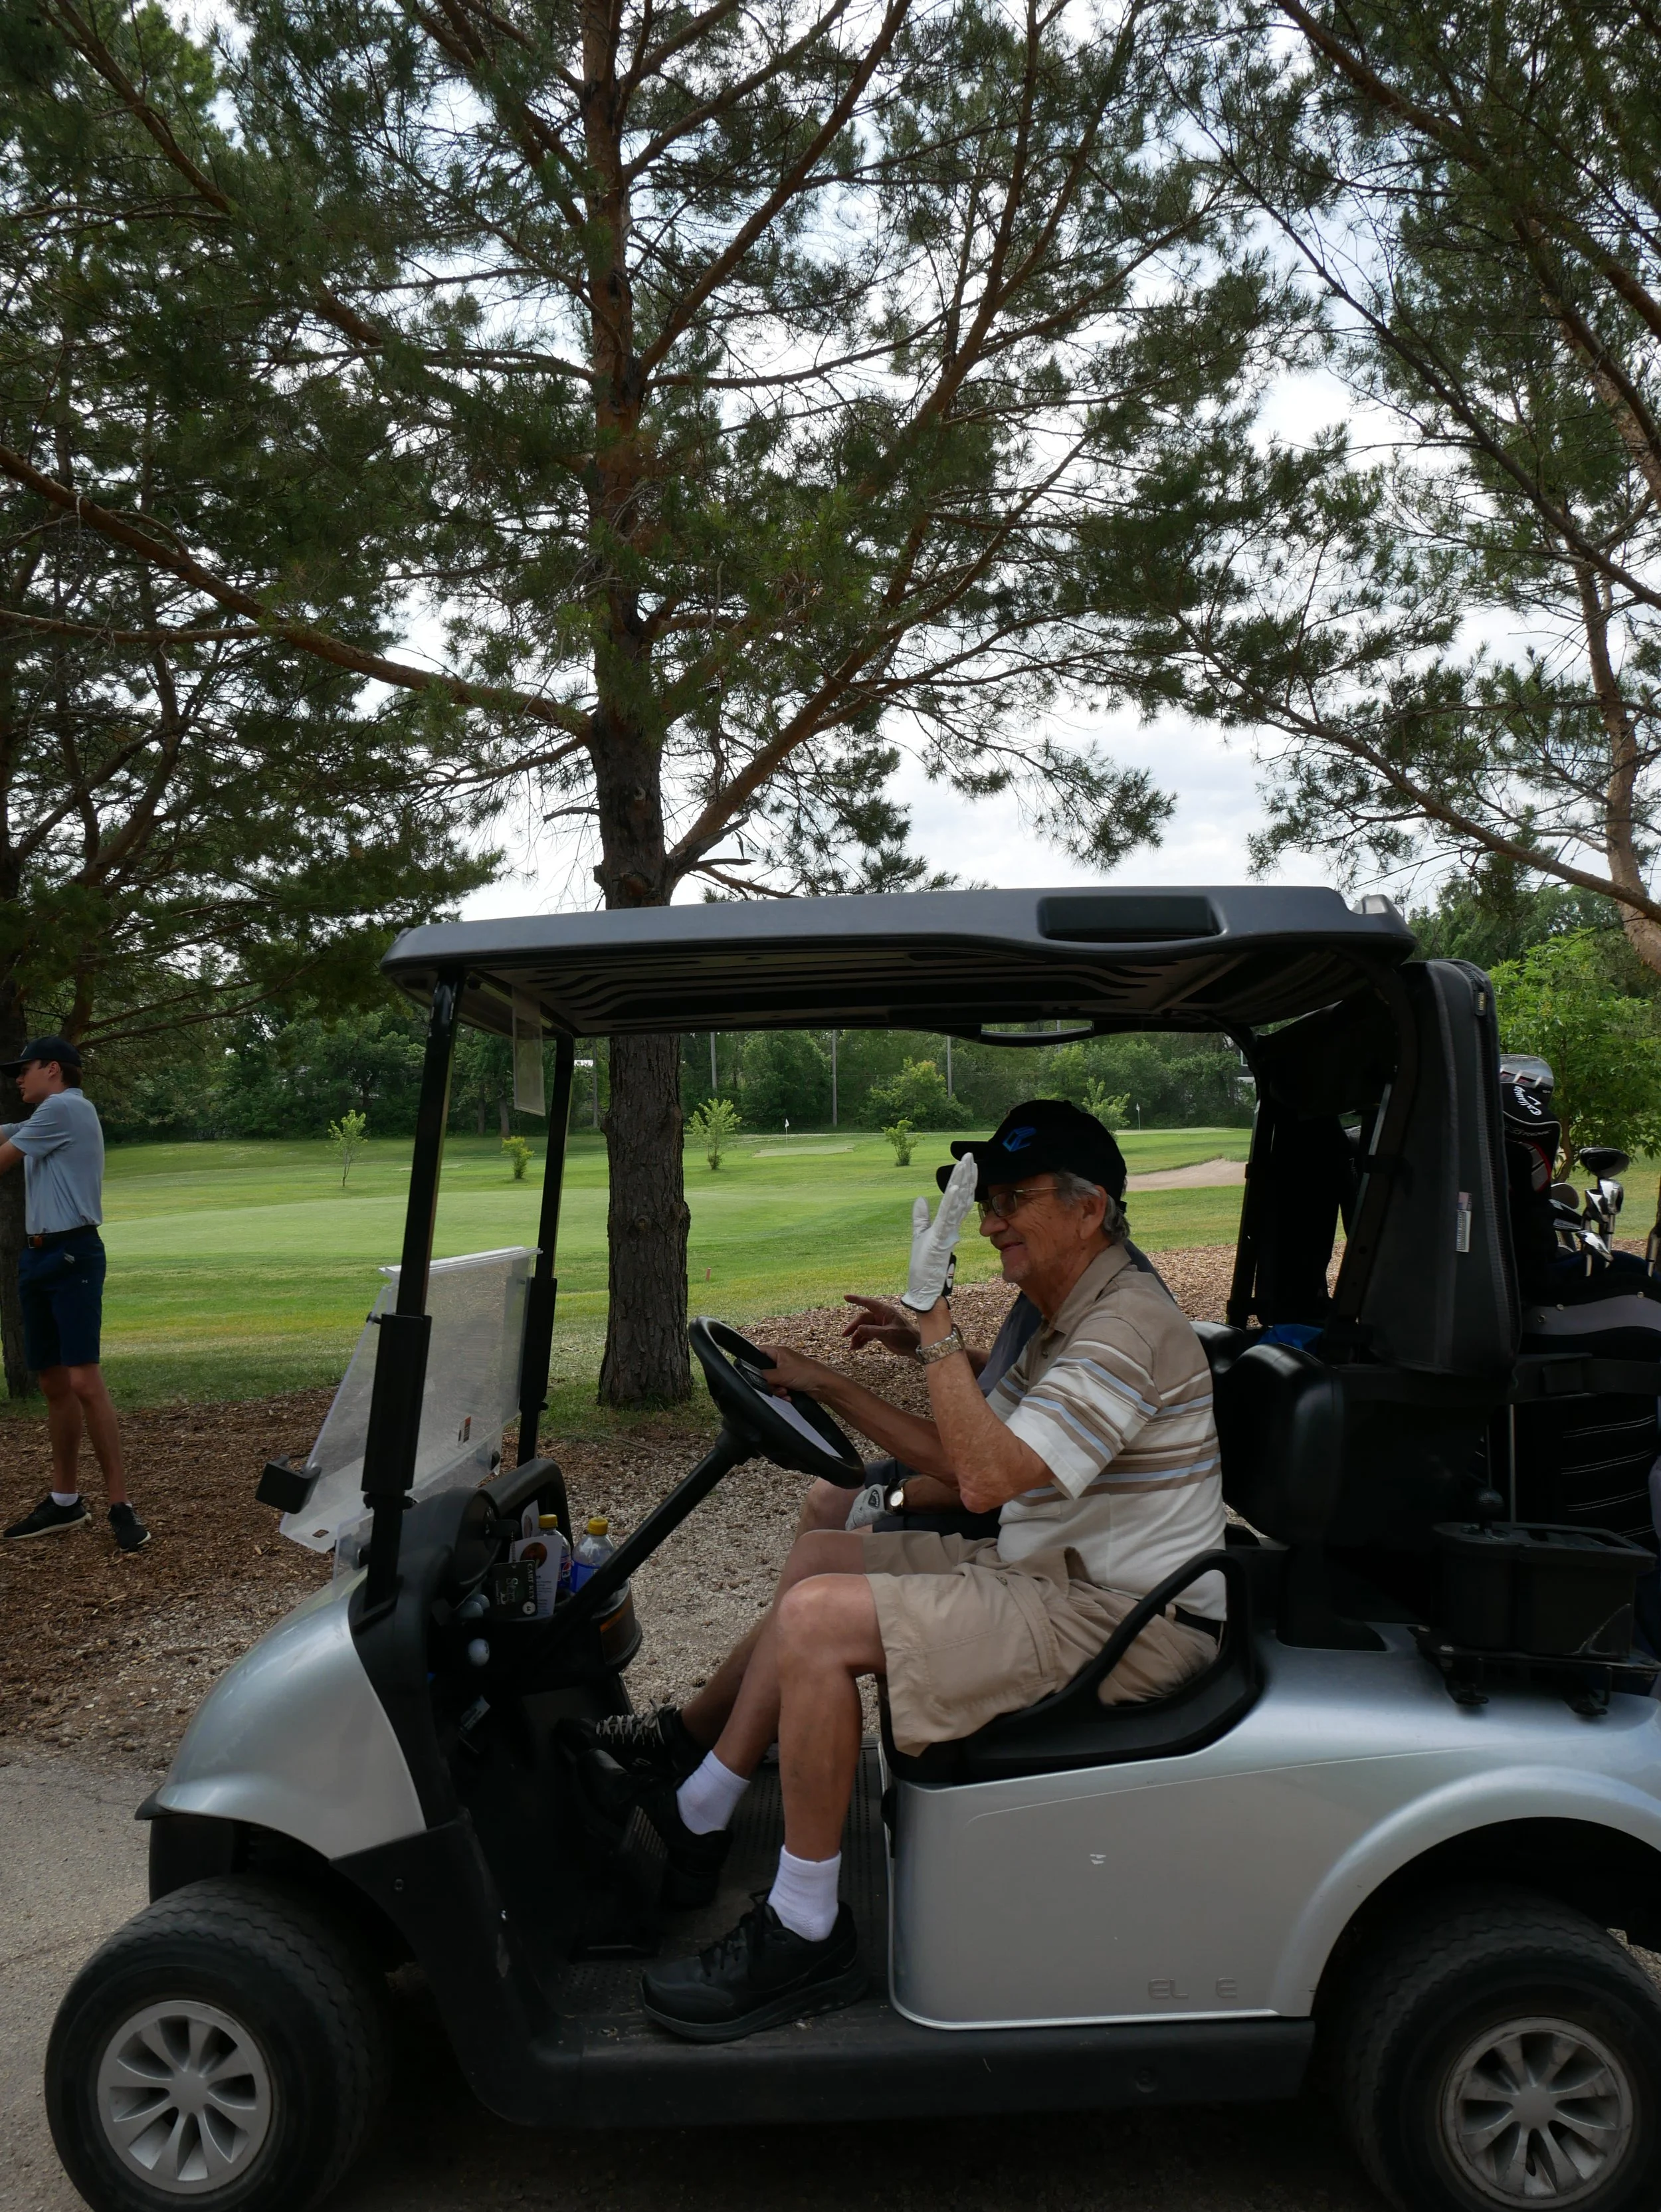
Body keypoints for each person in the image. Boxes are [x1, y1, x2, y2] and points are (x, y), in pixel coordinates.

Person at [571, 1099, 1223, 2043]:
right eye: (988, 1199)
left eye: (1013, 1200)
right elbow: (960, 1463)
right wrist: (828, 1383)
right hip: (1056, 1581)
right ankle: (698, 1794)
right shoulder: (1061, 1318)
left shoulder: (1124, 1328)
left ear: (1091, 1210)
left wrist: (941, 1332)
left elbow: (988, 1479)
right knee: (825, 1558)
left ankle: (800, 1923)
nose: (993, 1221)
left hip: (1123, 1621)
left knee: (818, 1621)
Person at [0, 1037, 147, 1551]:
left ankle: (121, 1505)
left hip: (72, 1254)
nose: (18, 1078)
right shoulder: (44, 1117)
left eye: (25, 1069)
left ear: (54, 1070)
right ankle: (65, 1501)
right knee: (54, 1383)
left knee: (84, 1380)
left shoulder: (64, 1108)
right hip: (38, 1255)